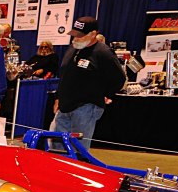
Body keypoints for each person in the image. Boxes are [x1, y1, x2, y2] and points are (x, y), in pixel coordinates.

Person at [52, 17, 126, 149]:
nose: (76, 38)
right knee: (58, 147)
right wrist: (58, 97)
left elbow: (119, 79)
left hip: (86, 107)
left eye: (80, 35)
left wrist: (106, 94)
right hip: (64, 106)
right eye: (74, 34)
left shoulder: (103, 53)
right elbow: (64, 75)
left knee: (78, 148)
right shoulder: (73, 48)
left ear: (93, 34)